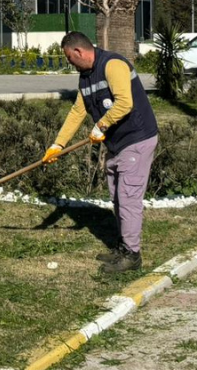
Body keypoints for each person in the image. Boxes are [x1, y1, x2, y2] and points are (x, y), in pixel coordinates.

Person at [44, 32, 159, 273]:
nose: (69, 63)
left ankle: (132, 255)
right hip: (117, 143)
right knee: (117, 196)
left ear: (79, 52)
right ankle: (124, 245)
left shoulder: (113, 65)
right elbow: (77, 112)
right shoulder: (85, 78)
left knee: (128, 197)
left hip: (137, 138)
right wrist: (58, 145)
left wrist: (102, 125)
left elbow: (125, 103)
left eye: (69, 58)